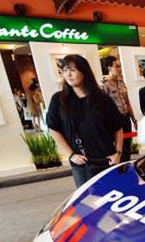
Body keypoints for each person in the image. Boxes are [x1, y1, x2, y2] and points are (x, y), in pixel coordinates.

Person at [47, 54, 124, 188]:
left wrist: (118, 153)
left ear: (84, 72)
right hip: (81, 164)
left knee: (111, 201)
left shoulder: (102, 99)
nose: (68, 75)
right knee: (87, 204)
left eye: (72, 70)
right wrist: (70, 155)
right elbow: (54, 129)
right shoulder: (59, 100)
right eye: (65, 70)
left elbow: (117, 127)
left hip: (106, 161)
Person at [101, 55, 136, 163]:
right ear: (109, 68)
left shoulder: (122, 83)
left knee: (127, 147)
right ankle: (118, 169)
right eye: (117, 66)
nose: (120, 69)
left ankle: (126, 168)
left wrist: (134, 120)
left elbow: (127, 103)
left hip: (125, 119)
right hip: (114, 121)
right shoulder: (104, 85)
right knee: (118, 149)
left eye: (119, 66)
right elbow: (102, 108)